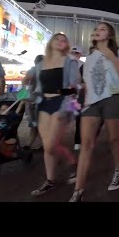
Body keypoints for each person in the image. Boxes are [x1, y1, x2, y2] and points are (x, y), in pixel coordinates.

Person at [69, 22, 119, 202]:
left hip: (112, 97)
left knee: (114, 140)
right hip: (92, 102)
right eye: (96, 29)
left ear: (110, 35)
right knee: (86, 144)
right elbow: (86, 82)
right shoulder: (89, 56)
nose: (97, 31)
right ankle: (78, 190)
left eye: (102, 29)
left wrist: (111, 56)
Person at [30, 33, 81, 197]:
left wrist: (65, 93)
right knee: (48, 146)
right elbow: (31, 81)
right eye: (57, 39)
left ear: (66, 45)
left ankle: (74, 163)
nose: (61, 42)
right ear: (51, 43)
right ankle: (50, 180)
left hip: (62, 103)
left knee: (51, 144)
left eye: (64, 40)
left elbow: (76, 85)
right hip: (43, 103)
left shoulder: (70, 61)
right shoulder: (41, 63)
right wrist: (24, 90)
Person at [21, 54, 44, 150]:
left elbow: (24, 83)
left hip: (32, 103)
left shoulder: (35, 70)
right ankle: (46, 146)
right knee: (37, 126)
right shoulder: (36, 70)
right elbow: (25, 82)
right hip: (36, 103)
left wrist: (23, 97)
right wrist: (23, 96)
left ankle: (30, 146)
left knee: (35, 126)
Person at [70, 46, 84, 151]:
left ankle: (78, 140)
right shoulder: (65, 65)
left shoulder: (83, 66)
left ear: (80, 54)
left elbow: (83, 83)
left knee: (78, 119)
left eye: (76, 53)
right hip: (65, 97)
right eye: (73, 52)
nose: (74, 54)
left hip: (77, 98)